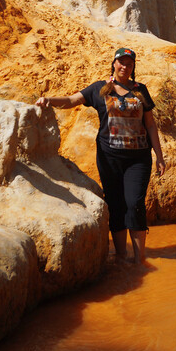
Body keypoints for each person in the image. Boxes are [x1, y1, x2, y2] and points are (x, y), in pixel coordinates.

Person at [36, 46, 165, 265]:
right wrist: (48, 100)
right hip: (109, 158)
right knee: (115, 204)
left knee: (134, 203)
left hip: (138, 159)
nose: (125, 66)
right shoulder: (100, 89)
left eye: (129, 63)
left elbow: (150, 125)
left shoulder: (140, 90)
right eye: (121, 62)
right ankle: (122, 257)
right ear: (114, 64)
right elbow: (71, 100)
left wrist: (159, 156)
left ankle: (139, 260)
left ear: (133, 67)